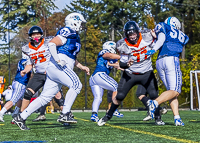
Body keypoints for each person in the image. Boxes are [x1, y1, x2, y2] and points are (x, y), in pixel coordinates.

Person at [13, 12, 90, 130]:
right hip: (59, 66)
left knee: (45, 97)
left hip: (56, 67)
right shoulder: (68, 30)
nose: (82, 26)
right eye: (80, 23)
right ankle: (65, 113)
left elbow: (71, 56)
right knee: (76, 84)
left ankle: (21, 117)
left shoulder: (75, 35)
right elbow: (52, 44)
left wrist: (81, 66)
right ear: (74, 22)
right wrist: (58, 60)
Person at [98, 21, 164, 126]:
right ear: (126, 35)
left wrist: (156, 36)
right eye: (129, 34)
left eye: (133, 34)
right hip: (130, 74)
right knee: (119, 96)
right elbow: (122, 64)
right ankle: (108, 116)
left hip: (147, 72)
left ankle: (158, 118)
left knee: (154, 95)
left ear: (138, 32)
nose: (132, 37)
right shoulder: (122, 44)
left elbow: (160, 38)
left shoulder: (147, 36)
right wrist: (127, 64)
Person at [145, 17, 189, 126]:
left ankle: (177, 118)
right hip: (171, 60)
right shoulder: (183, 36)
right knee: (175, 91)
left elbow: (162, 39)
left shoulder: (163, 27)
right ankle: (154, 103)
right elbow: (165, 39)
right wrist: (155, 48)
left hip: (160, 61)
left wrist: (154, 46)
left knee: (171, 92)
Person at [89, 41, 123, 122]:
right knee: (116, 86)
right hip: (99, 74)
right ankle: (113, 109)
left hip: (94, 78)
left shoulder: (112, 59)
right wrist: (123, 57)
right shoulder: (104, 52)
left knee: (98, 97)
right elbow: (109, 55)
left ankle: (94, 115)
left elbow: (119, 66)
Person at [0, 56, 31, 122]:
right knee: (13, 101)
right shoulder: (26, 60)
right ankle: (1, 113)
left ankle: (15, 112)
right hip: (20, 82)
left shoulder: (22, 60)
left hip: (19, 82)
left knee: (22, 98)